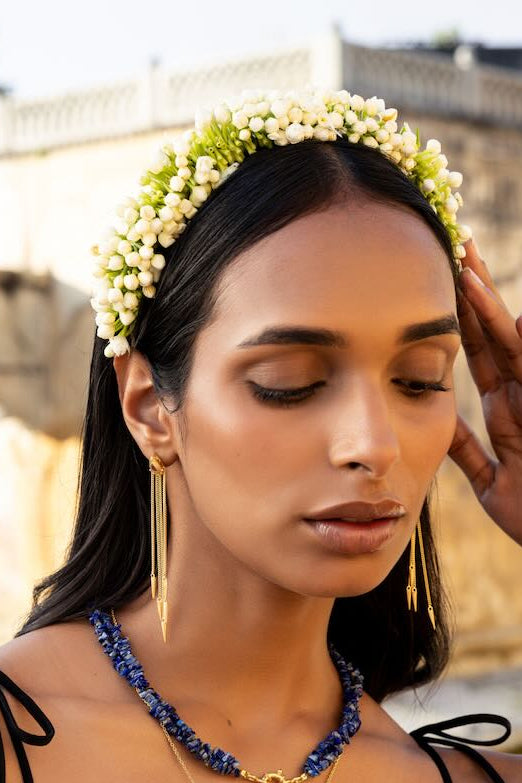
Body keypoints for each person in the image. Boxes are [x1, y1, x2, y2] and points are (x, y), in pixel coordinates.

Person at [0, 88, 521, 783]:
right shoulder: (21, 733)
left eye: (421, 378)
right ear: (152, 404)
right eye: (291, 381)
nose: (373, 443)